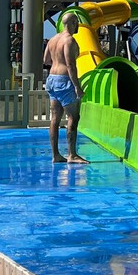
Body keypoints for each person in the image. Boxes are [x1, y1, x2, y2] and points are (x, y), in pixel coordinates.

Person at [43, 12, 88, 164]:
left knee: (55, 118)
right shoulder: (69, 40)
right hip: (64, 81)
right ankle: (72, 155)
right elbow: (70, 65)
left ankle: (56, 155)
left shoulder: (53, 39)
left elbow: (46, 60)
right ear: (73, 23)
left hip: (51, 79)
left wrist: (57, 62)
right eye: (77, 23)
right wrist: (77, 87)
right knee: (73, 117)